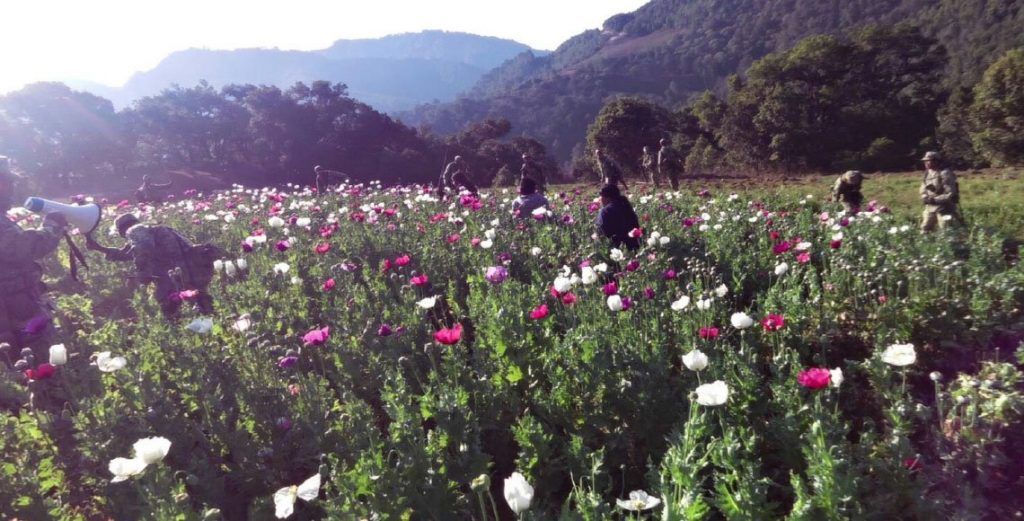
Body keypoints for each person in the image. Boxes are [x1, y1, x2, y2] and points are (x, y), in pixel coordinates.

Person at [85, 214, 221, 318]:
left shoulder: (135, 230)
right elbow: (126, 253)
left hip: (175, 273)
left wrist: (142, 273)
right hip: (194, 269)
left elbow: (144, 248)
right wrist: (99, 248)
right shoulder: (153, 230)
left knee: (170, 308)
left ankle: (183, 336)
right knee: (200, 302)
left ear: (122, 229)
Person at [0, 156, 67, 358]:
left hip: (12, 304)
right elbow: (22, 247)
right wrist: (52, 226)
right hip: (13, 307)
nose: (11, 188)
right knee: (36, 357)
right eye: (7, 182)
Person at [919, 151, 964, 232]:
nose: (926, 163)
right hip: (930, 207)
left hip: (944, 207)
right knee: (925, 228)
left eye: (928, 160)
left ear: (936, 161)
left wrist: (935, 200)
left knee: (946, 229)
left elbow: (950, 193)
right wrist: (925, 197)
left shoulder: (945, 173)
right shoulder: (927, 173)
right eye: (925, 161)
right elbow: (923, 189)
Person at [596, 184, 640, 251]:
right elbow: (636, 227)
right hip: (633, 248)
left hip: (615, 250)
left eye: (601, 196)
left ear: (607, 197)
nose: (600, 199)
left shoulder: (605, 211)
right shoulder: (626, 206)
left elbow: (602, 233)